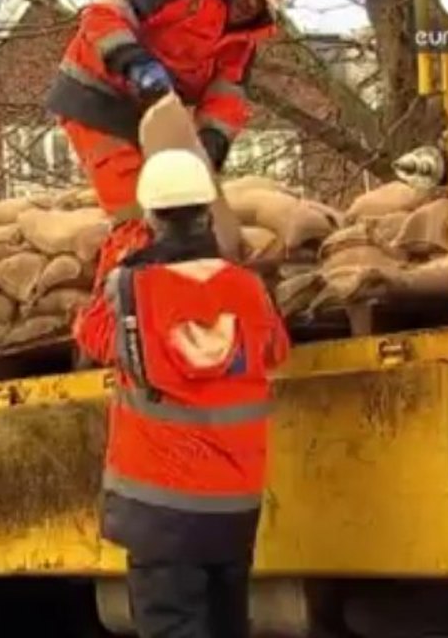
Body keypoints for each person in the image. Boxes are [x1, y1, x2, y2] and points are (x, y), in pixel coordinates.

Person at [74, 149, 291, 638]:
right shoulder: (249, 289)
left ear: (151, 216)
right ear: (206, 212)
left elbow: (93, 337)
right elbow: (275, 349)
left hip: (161, 513)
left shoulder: (130, 289)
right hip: (233, 509)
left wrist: (117, 260)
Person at [46, 0, 301, 280]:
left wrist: (211, 142)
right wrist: (132, 60)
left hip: (156, 116)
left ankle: (180, 299)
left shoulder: (243, 40)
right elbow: (103, 15)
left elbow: (227, 96)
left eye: (262, 1)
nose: (252, 5)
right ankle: (116, 311)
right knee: (139, 218)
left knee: (182, 218)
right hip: (95, 98)